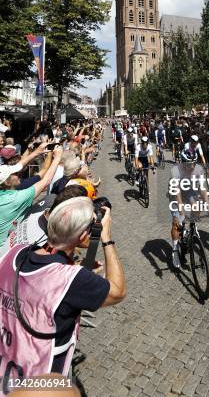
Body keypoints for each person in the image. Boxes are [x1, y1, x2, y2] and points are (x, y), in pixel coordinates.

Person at [0, 197, 126, 380]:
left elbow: (40, 278)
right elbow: (118, 291)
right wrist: (106, 237)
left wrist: (73, 267)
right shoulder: (71, 279)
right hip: (38, 381)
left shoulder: (15, 253)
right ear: (83, 235)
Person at [0, 145, 63, 246]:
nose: (19, 173)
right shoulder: (15, 199)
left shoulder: (4, 190)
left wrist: (37, 152)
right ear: (7, 183)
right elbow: (46, 181)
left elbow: (19, 165)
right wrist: (58, 157)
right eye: (15, 173)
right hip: (5, 248)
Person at [168, 149, 209, 269]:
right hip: (175, 193)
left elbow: (203, 189)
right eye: (188, 164)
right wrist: (182, 213)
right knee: (177, 221)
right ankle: (175, 249)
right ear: (183, 162)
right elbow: (177, 193)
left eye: (193, 163)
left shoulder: (198, 169)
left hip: (189, 191)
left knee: (196, 207)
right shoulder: (175, 170)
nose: (191, 166)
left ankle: (192, 229)